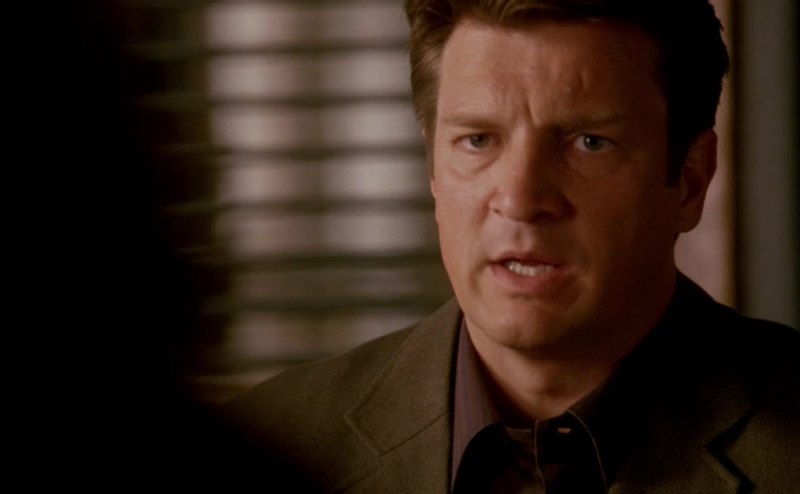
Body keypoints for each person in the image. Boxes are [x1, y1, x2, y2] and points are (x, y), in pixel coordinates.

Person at [224, 0, 800, 492]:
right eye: (478, 139)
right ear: (432, 167)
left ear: (691, 180)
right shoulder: (270, 445)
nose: (521, 200)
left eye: (589, 142)